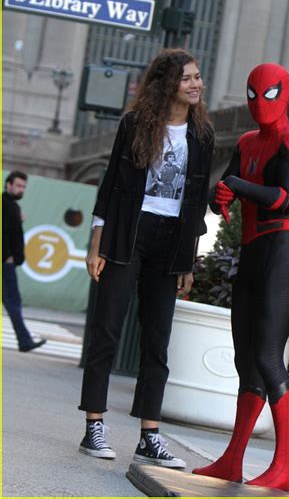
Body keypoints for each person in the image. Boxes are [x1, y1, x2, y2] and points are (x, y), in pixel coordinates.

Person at [78, 49, 214, 466]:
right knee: (107, 329)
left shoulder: (202, 134)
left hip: (170, 242)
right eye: (187, 78)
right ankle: (94, 426)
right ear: (166, 84)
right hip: (127, 233)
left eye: (197, 78)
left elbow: (194, 204)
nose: (196, 84)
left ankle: (148, 435)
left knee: (157, 341)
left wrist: (187, 260)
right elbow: (111, 184)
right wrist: (96, 241)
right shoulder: (135, 124)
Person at [193, 63, 289, 491]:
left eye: (268, 94)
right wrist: (221, 193)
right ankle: (233, 459)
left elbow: (283, 199)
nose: (259, 103)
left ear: (286, 94)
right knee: (245, 362)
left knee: (266, 357)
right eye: (253, 94)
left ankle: (285, 465)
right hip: (251, 252)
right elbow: (222, 193)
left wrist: (235, 186)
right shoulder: (247, 143)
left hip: (281, 252)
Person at [2, 171, 47, 353]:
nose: (21, 189)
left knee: (13, 301)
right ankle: (24, 340)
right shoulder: (5, 205)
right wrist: (6, 257)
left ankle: (24, 340)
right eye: (18, 185)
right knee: (13, 301)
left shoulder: (11, 206)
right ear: (8, 184)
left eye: (23, 187)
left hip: (7, 262)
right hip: (5, 263)